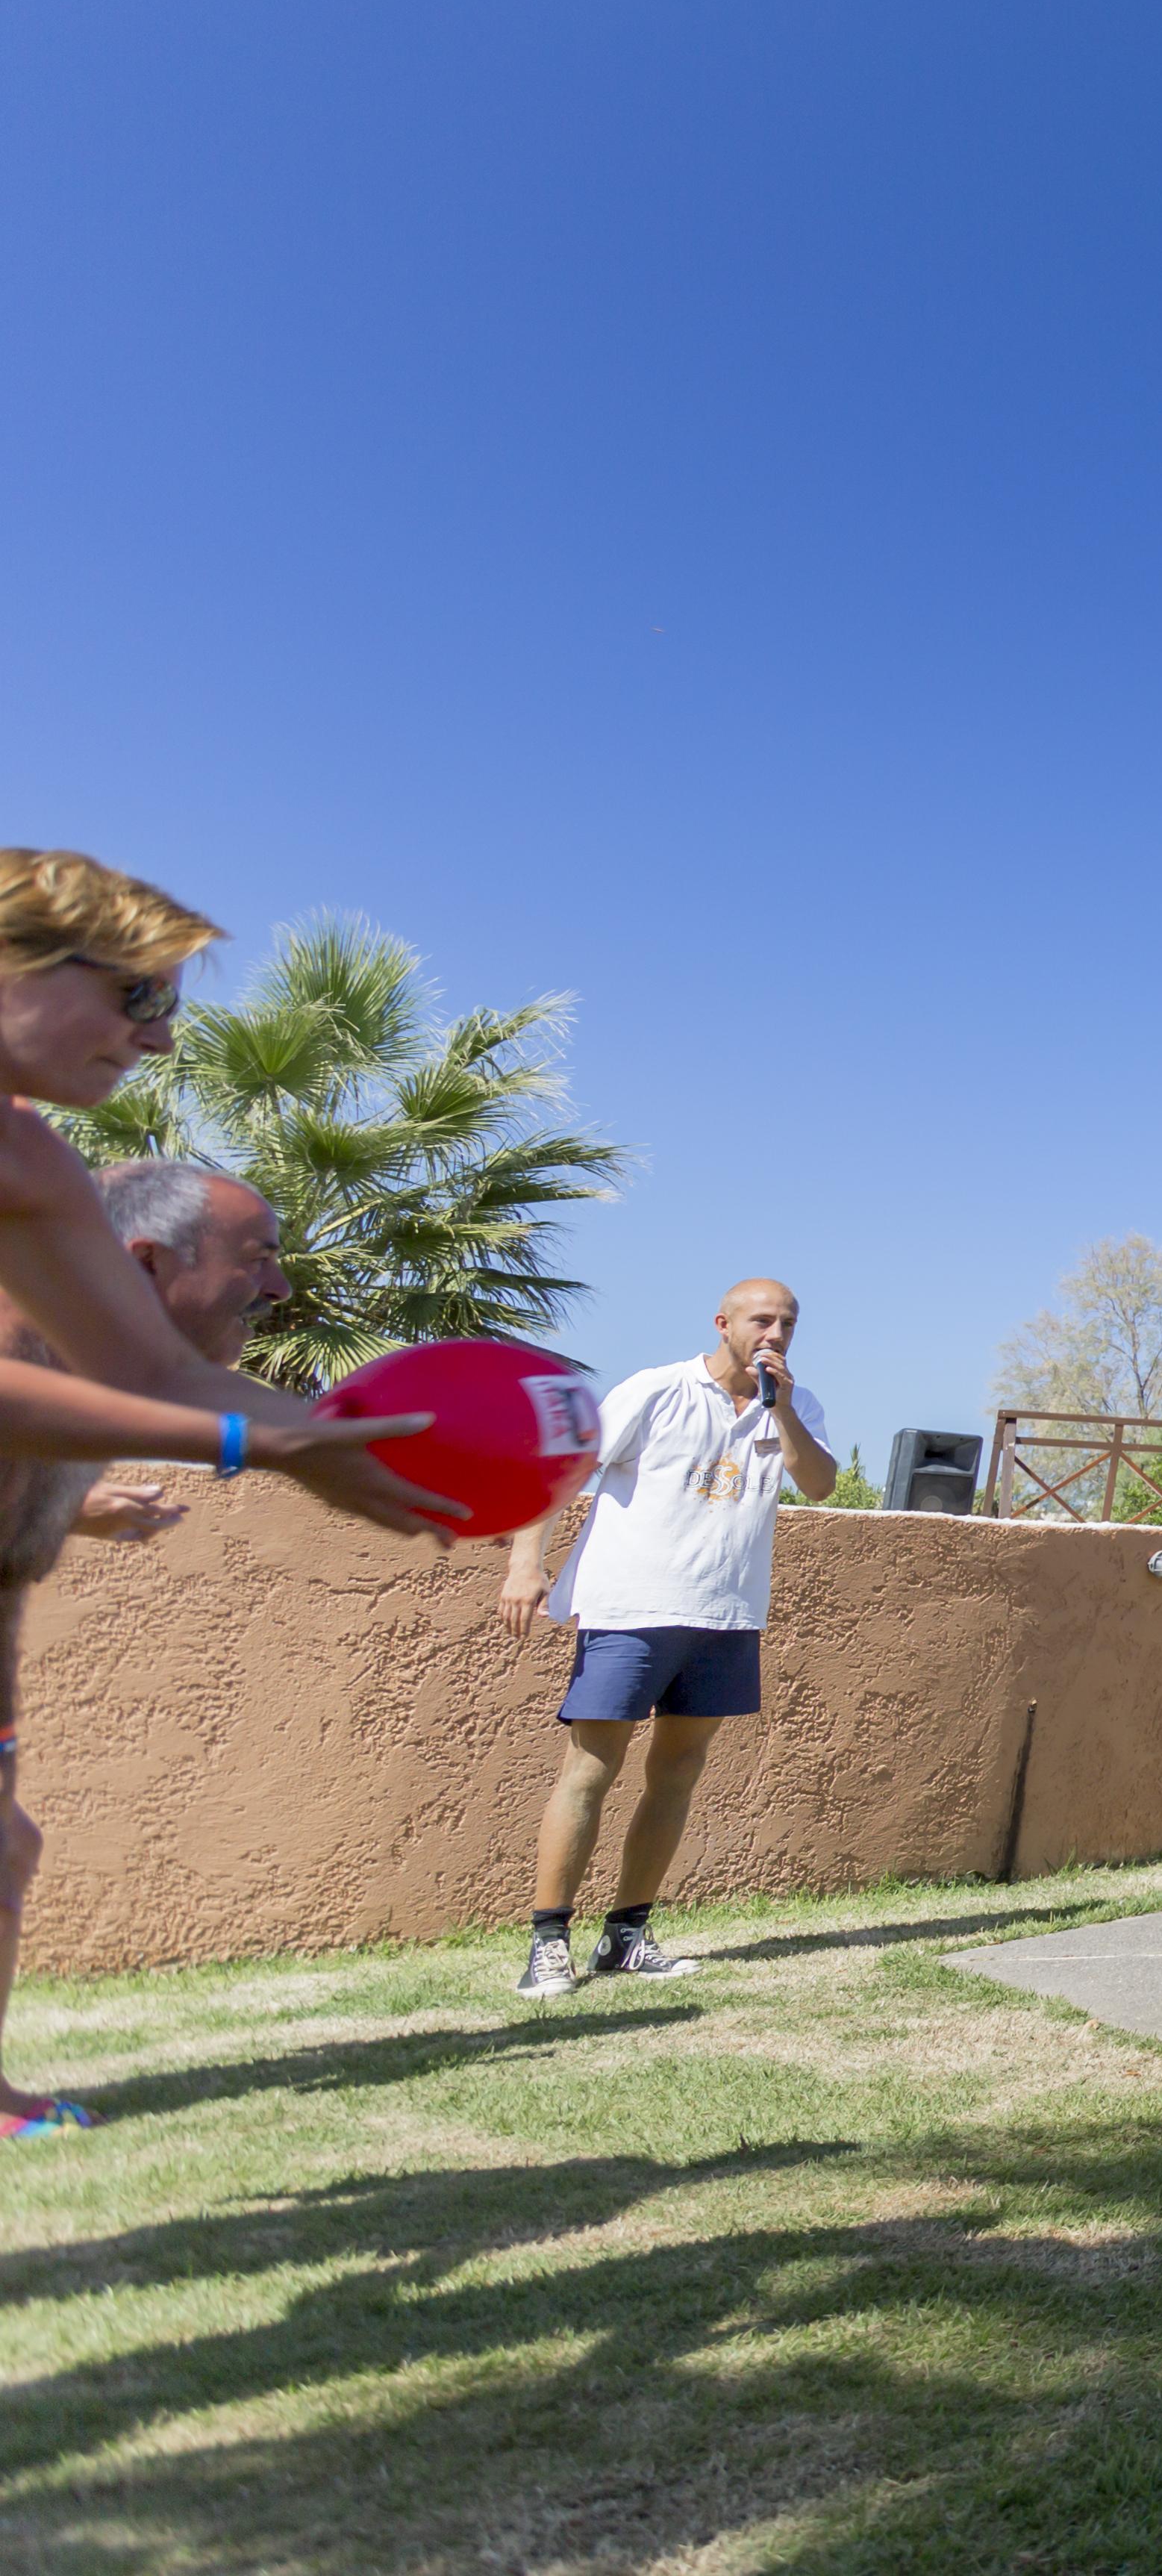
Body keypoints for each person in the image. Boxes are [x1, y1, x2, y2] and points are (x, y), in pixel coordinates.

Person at [0, 850, 442, 1521]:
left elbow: (160, 1373)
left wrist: (338, 1437)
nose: (160, 1038)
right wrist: (250, 1440)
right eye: (143, 997)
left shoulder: (30, 1158)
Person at [0, 1158, 293, 2137]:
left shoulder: (84, 1354)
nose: (279, 1288)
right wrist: (289, 1443)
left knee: (7, 1845)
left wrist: (73, 1508)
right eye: (259, 1257)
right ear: (148, 1261)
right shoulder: (26, 1334)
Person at [494, 1279, 837, 1998]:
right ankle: (549, 1941)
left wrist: (783, 1412)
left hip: (726, 1614)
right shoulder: (655, 1390)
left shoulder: (796, 1406)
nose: (775, 1334)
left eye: (788, 1324)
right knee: (590, 1770)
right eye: (761, 1320)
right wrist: (527, 1564)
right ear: (723, 1322)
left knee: (678, 1773)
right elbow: (563, 1470)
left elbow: (822, 1484)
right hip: (630, 1609)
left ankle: (626, 1934)